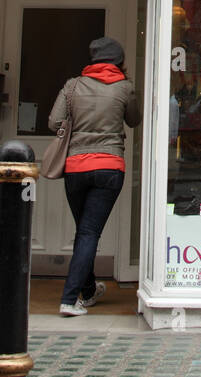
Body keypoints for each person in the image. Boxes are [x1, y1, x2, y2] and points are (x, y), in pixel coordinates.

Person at [49, 36, 141, 317]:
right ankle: (69, 299)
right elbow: (134, 120)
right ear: (119, 61)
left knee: (85, 232)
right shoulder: (125, 88)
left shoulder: (72, 85)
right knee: (88, 233)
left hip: (76, 167)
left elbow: (54, 122)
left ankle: (87, 291)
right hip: (109, 166)